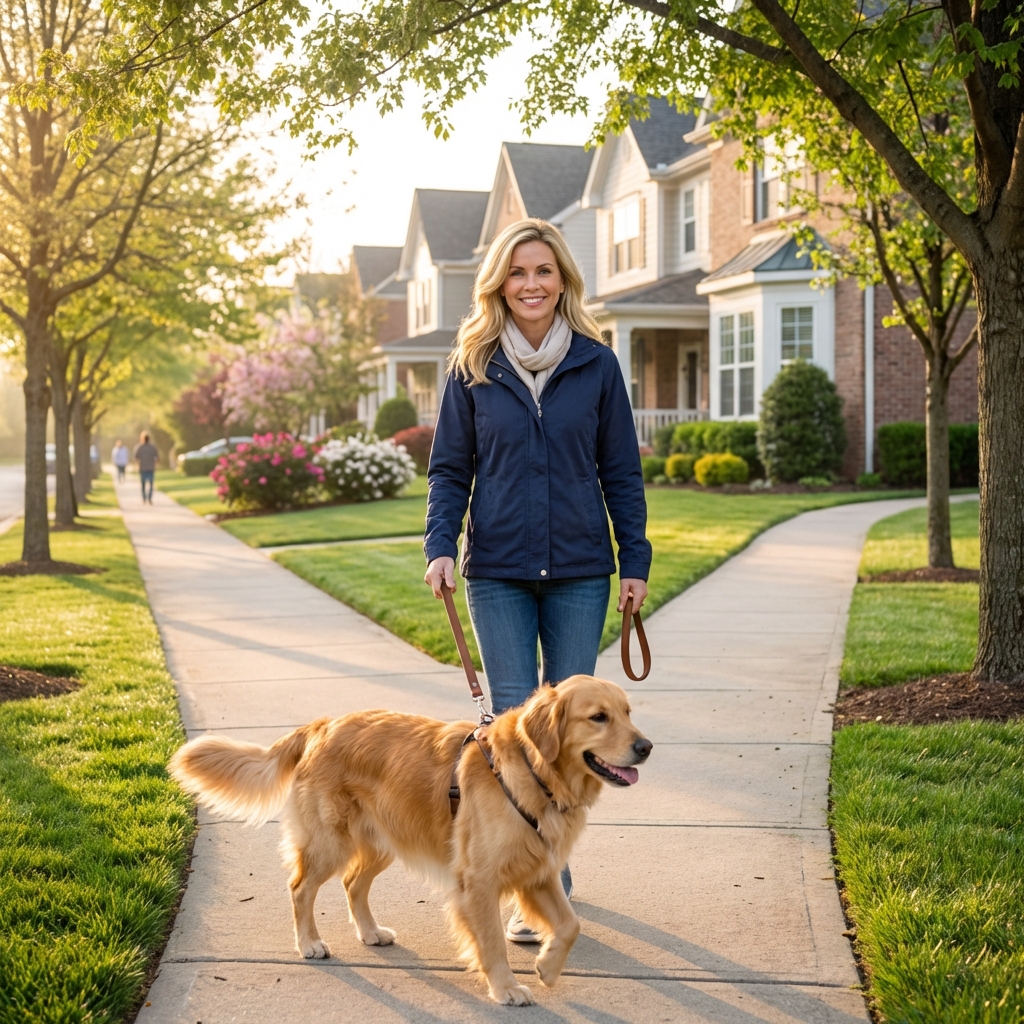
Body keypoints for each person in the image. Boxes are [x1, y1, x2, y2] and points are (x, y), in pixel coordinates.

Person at [423, 218, 651, 944]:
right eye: (518, 272)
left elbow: (621, 469)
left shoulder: (597, 363)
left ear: (563, 282)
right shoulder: (471, 364)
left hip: (582, 569)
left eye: (544, 272)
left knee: (574, 734)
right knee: (516, 729)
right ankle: (523, 887)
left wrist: (634, 560)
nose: (531, 284)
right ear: (498, 281)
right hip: (498, 571)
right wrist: (440, 544)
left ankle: (552, 880)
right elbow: (450, 468)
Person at [133, 432, 159, 504]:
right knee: (151, 484)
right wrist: (155, 465)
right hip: (150, 468)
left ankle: (144, 498)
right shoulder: (153, 447)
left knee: (143, 485)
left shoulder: (139, 447)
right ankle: (149, 498)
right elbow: (157, 458)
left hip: (142, 468)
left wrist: (138, 465)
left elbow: (136, 458)